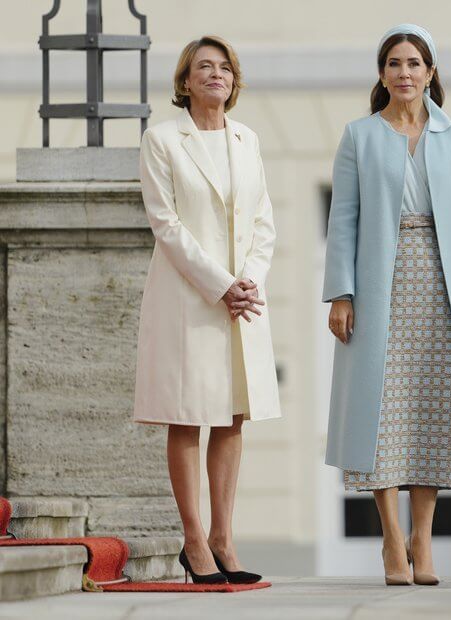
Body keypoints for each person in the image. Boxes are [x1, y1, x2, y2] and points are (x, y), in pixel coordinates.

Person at [322, 24, 451, 586]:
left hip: (440, 283)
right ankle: (392, 541)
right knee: (381, 414)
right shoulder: (359, 135)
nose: (404, 72)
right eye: (394, 63)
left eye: (414, 63)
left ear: (431, 72)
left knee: (432, 412)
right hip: (378, 283)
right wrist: (341, 293)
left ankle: (424, 539)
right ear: (382, 74)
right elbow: (342, 219)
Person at [134, 35, 279, 585]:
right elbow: (166, 224)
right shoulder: (163, 139)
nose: (216, 74)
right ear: (186, 81)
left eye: (225, 68)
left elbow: (264, 219)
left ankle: (224, 538)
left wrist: (249, 283)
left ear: (234, 81)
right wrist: (220, 285)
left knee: (233, 411)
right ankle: (193, 540)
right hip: (188, 296)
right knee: (188, 411)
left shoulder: (248, 139)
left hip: (243, 299)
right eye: (204, 67)